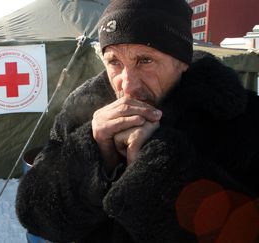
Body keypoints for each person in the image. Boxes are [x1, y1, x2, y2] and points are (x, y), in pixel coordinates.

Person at [16, 0, 259, 242]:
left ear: (181, 62)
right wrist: (92, 153)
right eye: (114, 62)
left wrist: (157, 167)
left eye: (145, 60)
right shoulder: (81, 112)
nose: (128, 84)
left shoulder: (241, 119)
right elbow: (35, 215)